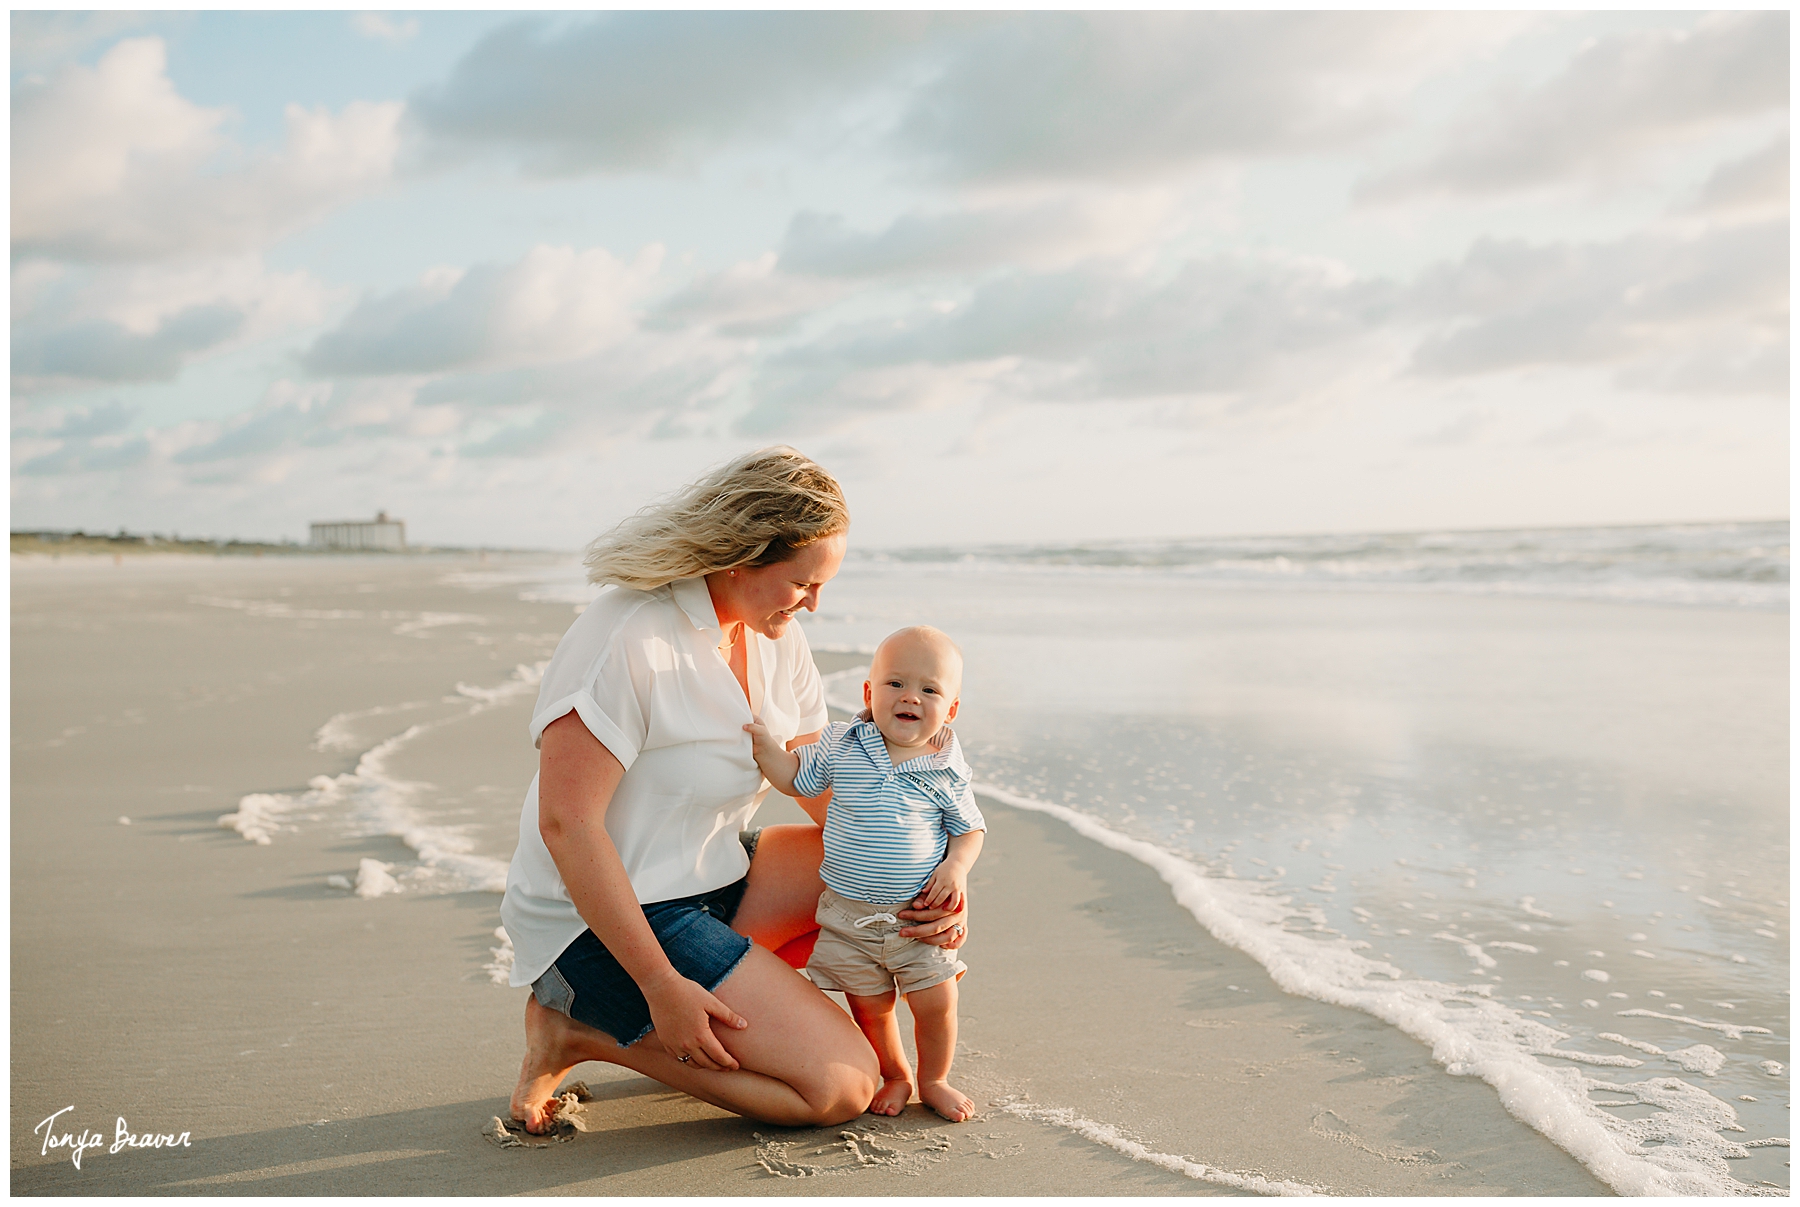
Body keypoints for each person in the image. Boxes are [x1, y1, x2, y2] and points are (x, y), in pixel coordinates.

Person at [501, 448, 970, 1133]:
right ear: (739, 557)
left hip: (714, 871)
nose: (814, 602)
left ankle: (729, 995)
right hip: (601, 917)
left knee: (911, 873)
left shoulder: (775, 634)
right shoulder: (626, 636)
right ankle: (581, 1028)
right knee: (839, 1087)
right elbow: (567, 825)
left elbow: (828, 791)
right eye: (803, 582)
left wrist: (936, 889)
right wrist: (664, 987)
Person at [744, 625, 985, 1122]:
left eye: (930, 689)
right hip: (848, 916)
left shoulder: (945, 769)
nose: (910, 697)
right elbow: (795, 777)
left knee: (936, 1002)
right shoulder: (844, 743)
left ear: (952, 709)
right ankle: (895, 1074)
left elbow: (969, 830)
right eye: (896, 684)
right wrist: (767, 748)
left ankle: (935, 1078)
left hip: (916, 919)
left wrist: (957, 868)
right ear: (869, 693)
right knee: (871, 1008)